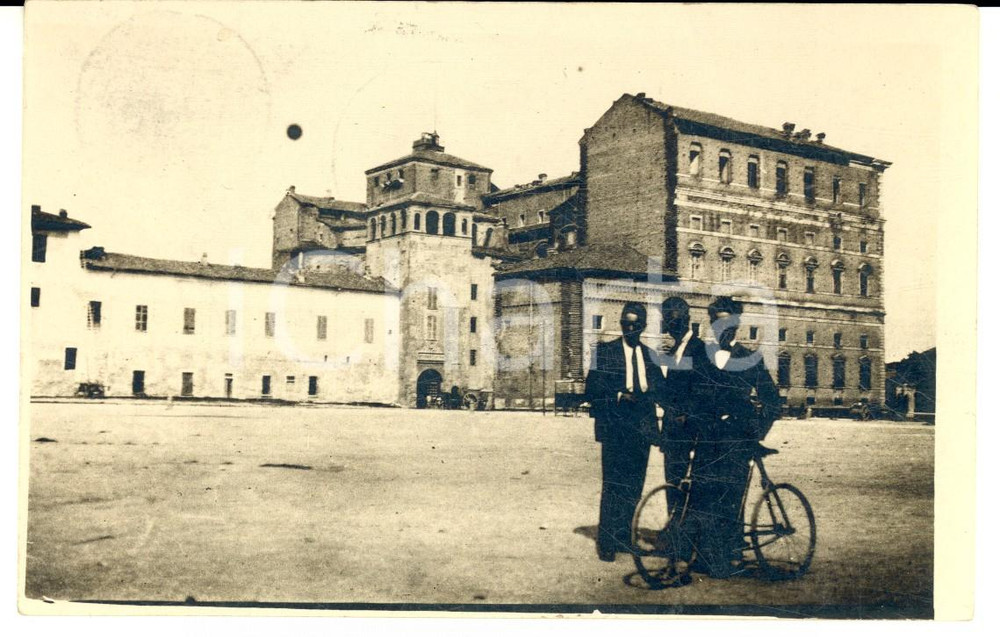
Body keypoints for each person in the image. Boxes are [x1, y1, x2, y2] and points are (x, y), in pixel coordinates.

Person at [682, 296, 782, 578]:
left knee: (729, 499)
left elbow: (772, 401)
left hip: (737, 442)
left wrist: (755, 434)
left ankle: (726, 557)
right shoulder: (700, 357)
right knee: (702, 496)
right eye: (716, 322)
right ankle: (705, 556)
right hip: (706, 440)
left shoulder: (749, 358)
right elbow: (690, 396)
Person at [585, 301, 665, 562]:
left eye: (633, 324)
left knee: (634, 487)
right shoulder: (605, 353)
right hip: (616, 429)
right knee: (613, 485)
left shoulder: (650, 356)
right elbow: (593, 390)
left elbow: (662, 392)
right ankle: (607, 543)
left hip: (641, 431)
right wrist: (619, 395)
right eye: (624, 323)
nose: (628, 328)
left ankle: (624, 539)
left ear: (642, 327)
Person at [657, 297, 709, 511]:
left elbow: (702, 388)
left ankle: (684, 532)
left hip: (691, 428)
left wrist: (687, 414)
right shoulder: (674, 350)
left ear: (687, 320)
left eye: (673, 319)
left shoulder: (700, 349)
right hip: (672, 428)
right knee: (672, 479)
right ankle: (674, 527)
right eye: (667, 320)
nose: (670, 325)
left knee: (689, 483)